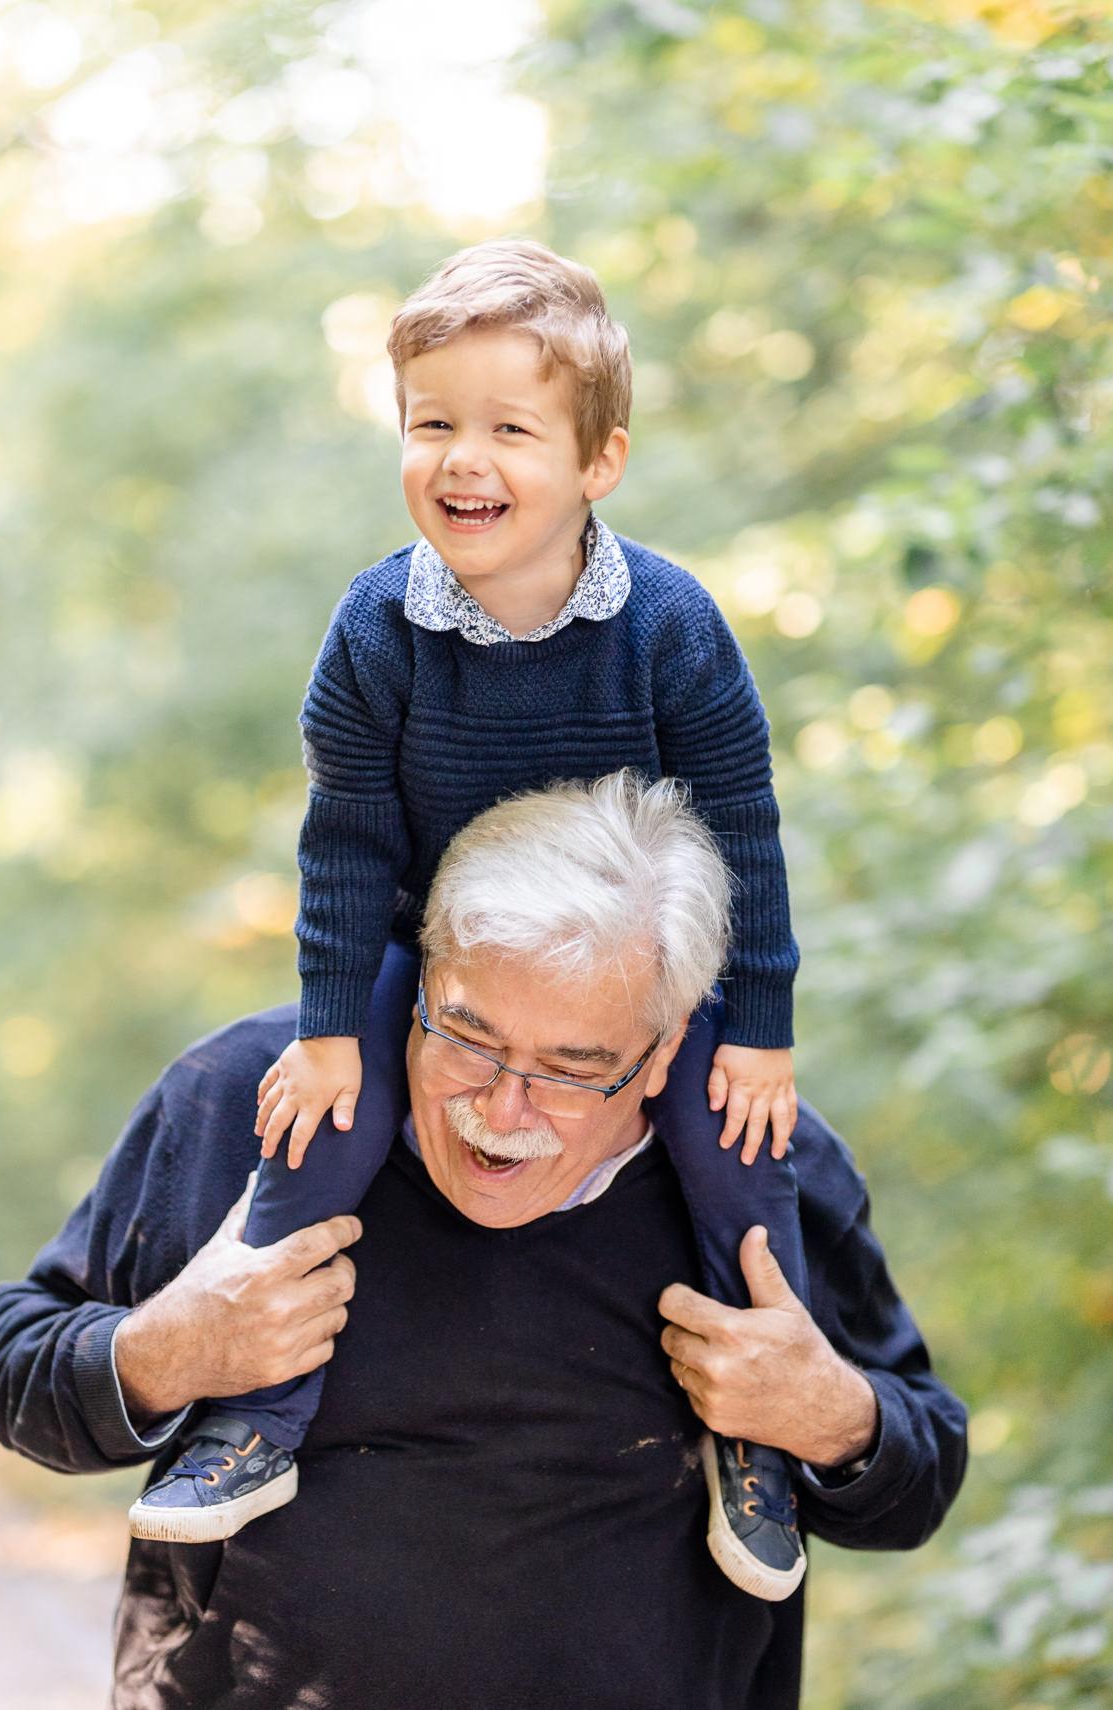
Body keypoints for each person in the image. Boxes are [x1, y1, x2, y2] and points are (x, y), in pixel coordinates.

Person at [0, 772, 966, 1710]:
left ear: (665, 1050)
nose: (500, 1108)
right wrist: (171, 1348)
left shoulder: (765, 1161)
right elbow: (15, 1375)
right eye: (466, 1034)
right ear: (420, 978)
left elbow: (919, 1479)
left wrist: (830, 1417)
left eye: (573, 1070)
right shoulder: (254, 1099)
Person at [138, 237, 810, 1584]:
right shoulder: (377, 629)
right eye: (432, 422)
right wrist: (333, 1026)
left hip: (629, 968)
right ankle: (253, 1419)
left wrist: (762, 1026)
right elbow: (344, 843)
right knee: (329, 1115)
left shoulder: (670, 625)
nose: (462, 459)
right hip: (435, 948)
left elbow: (742, 828)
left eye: (510, 428)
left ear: (598, 462)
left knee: (725, 1138)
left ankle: (763, 1446)